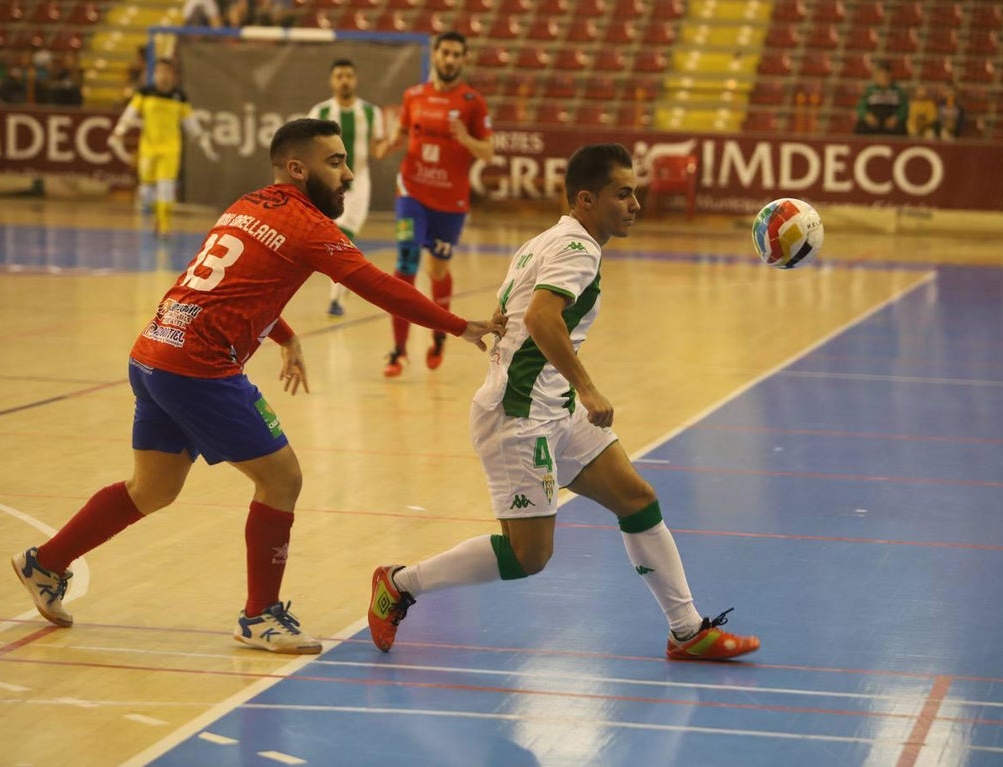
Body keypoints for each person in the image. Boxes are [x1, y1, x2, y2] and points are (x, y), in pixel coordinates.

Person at [12, 118, 506, 655]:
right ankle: (260, 617)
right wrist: (459, 325)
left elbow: (230, 281)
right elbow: (378, 286)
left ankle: (45, 564)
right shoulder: (312, 228)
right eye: (335, 163)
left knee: (152, 489)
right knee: (282, 478)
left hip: (154, 351)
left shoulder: (246, 205)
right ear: (297, 168)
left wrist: (285, 335)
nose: (347, 174)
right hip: (198, 368)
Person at [367, 144, 761, 662]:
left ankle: (687, 631)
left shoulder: (545, 241)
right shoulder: (579, 249)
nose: (635, 203)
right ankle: (399, 584)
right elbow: (540, 319)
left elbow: (512, 310)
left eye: (635, 192)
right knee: (529, 557)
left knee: (637, 500)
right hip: (519, 414)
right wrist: (589, 388)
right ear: (586, 198)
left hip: (551, 405)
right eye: (623, 193)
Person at [377, 30, 494, 377]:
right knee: (406, 264)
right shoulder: (413, 95)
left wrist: (466, 139)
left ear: (463, 59)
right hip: (411, 193)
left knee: (438, 270)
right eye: (445, 53)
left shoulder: (473, 102)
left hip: (451, 203)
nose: (450, 60)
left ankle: (439, 336)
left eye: (457, 54)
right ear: (436, 54)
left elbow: (488, 151)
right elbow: (403, 133)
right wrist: (389, 145)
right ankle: (398, 351)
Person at [306, 59, 387, 317]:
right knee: (330, 237)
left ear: (356, 80)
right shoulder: (319, 112)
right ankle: (342, 287)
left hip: (358, 182)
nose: (344, 80)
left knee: (345, 235)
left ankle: (336, 298)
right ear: (332, 81)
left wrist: (392, 143)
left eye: (349, 75)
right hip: (328, 182)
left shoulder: (372, 113)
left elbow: (377, 149)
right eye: (339, 75)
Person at [107, 58, 219, 236]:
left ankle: (164, 225)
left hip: (170, 149)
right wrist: (119, 132)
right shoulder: (145, 93)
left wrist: (203, 142)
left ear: (173, 76)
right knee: (146, 194)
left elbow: (190, 123)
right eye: (160, 72)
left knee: (166, 188)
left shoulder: (179, 96)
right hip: (148, 149)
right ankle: (155, 216)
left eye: (167, 72)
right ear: (155, 74)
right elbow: (130, 114)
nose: (163, 76)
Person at [854, 61, 907, 136]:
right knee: (861, 127)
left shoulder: (898, 91)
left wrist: (896, 118)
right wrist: (867, 116)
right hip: (873, 122)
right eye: (881, 75)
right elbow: (861, 107)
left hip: (891, 122)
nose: (884, 78)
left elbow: (903, 108)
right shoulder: (870, 91)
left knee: (901, 129)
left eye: (886, 75)